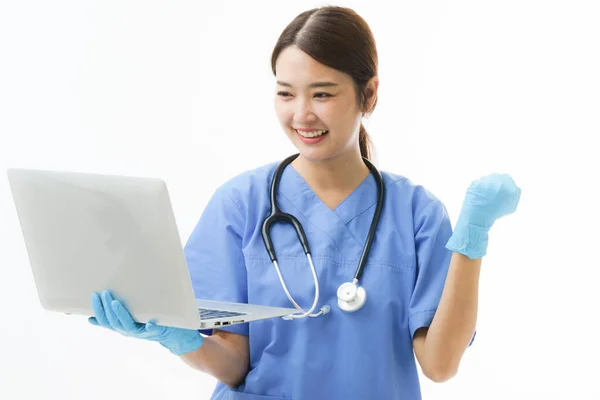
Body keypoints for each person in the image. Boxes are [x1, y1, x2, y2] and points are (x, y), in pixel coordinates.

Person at [88, 6, 521, 400]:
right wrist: (177, 336)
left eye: (322, 94)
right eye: (285, 93)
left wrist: (472, 235)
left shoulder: (417, 214)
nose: (301, 115)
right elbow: (234, 363)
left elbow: (440, 365)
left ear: (369, 95)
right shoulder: (241, 204)